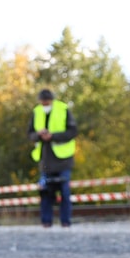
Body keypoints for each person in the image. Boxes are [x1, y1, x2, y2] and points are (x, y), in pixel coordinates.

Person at [28, 89, 78, 228]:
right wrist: (38, 135)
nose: (45, 104)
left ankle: (66, 222)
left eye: (47, 102)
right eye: (42, 102)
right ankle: (46, 222)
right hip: (45, 160)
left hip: (63, 159)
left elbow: (73, 131)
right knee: (45, 192)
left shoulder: (63, 109)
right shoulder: (37, 112)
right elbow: (30, 133)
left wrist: (53, 136)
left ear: (51, 100)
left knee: (64, 192)